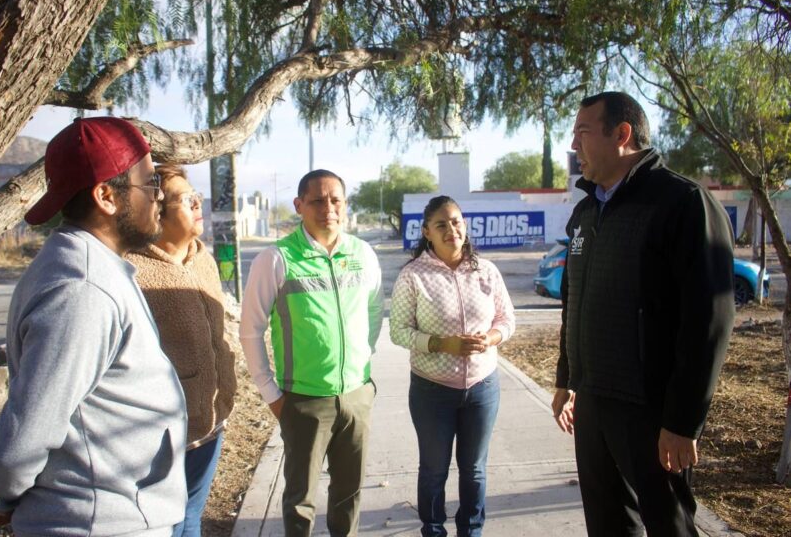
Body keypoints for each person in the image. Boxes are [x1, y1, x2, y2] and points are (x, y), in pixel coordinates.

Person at [0, 117, 188, 536]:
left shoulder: (94, 269)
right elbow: (29, 430)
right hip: (95, 522)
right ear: (106, 195)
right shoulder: (82, 291)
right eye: (150, 184)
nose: (160, 197)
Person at [551, 92, 735, 536]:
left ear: (623, 134)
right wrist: (566, 378)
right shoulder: (585, 211)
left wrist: (682, 421)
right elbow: (573, 300)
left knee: (668, 526)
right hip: (593, 403)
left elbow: (708, 322)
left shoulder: (682, 203)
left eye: (582, 133)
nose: (574, 146)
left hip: (651, 414)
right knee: (608, 525)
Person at [239, 169, 383, 537]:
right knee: (301, 499)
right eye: (317, 200)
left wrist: (360, 372)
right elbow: (250, 330)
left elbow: (373, 311)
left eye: (335, 200)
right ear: (299, 205)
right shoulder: (276, 259)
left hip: (356, 396)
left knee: (348, 494)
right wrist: (272, 394)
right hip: (303, 400)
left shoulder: (362, 253)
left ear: (345, 205)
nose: (328, 208)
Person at [389, 195, 515, 537]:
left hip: (483, 387)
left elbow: (507, 319)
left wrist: (490, 338)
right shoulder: (413, 276)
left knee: (474, 469)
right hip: (433, 390)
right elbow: (399, 332)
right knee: (434, 470)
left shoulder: (485, 270)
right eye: (441, 225)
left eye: (456, 221)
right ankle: (433, 529)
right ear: (427, 232)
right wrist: (443, 344)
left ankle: (471, 530)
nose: (451, 230)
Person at [127, 165, 238, 537]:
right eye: (186, 199)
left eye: (198, 197)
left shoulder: (202, 258)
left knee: (192, 515)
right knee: (163, 523)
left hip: (211, 421)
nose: (197, 204)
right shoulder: (132, 271)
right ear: (157, 209)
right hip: (162, 436)